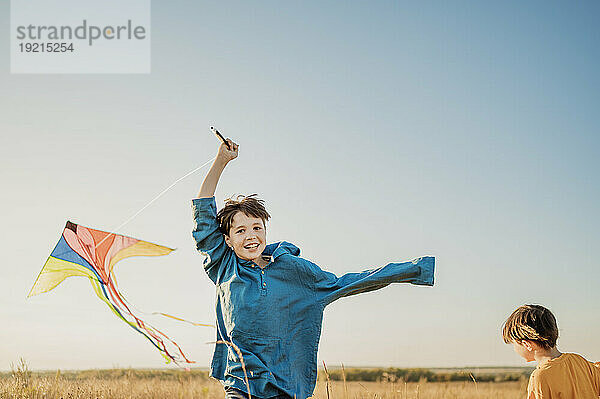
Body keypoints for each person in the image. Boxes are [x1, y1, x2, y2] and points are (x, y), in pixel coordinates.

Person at [192, 138, 435, 399]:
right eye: (240, 230)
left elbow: (345, 283)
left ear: (265, 231)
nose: (250, 236)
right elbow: (204, 212)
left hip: (284, 385)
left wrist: (412, 270)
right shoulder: (225, 267)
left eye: (256, 228)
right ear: (227, 240)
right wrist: (221, 161)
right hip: (241, 383)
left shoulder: (294, 271)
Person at [502, 304, 600, 398]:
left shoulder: (539, 377)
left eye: (514, 344)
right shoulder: (580, 361)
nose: (514, 349)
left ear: (527, 344)